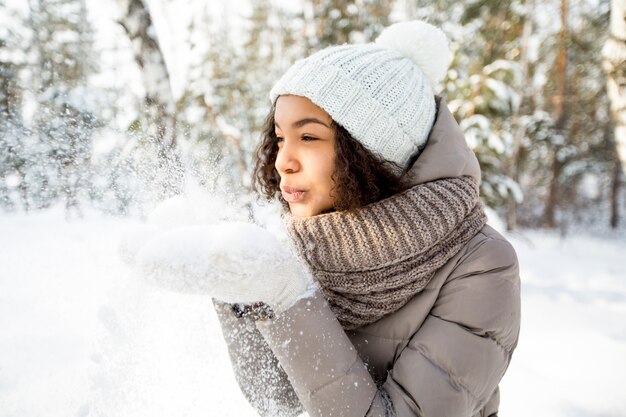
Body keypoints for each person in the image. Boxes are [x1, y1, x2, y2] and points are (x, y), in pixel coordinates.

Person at [136, 20, 521, 417]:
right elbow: (279, 400)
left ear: (372, 151)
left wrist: (290, 297)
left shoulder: (483, 267)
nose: (282, 161)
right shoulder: (317, 238)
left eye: (309, 137)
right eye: (280, 137)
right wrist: (236, 286)